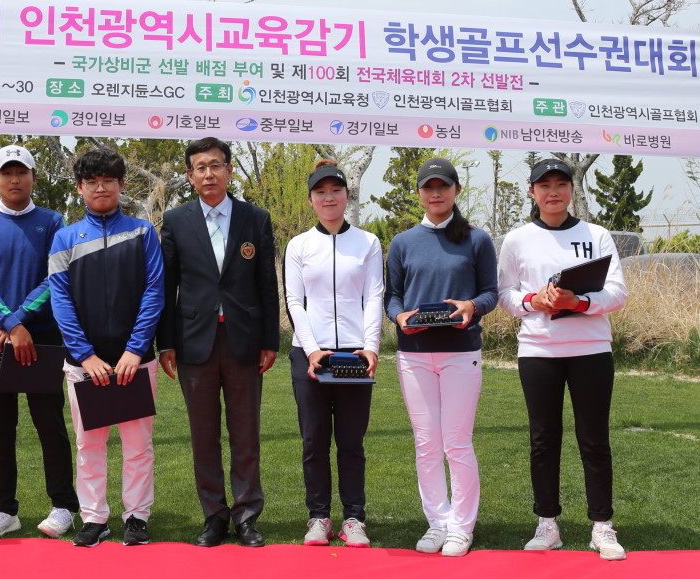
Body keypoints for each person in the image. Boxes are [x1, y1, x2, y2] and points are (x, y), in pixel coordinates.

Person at [498, 158, 628, 560]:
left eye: (561, 184)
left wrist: (580, 301)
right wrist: (533, 300)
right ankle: (547, 523)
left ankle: (602, 526)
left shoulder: (597, 234)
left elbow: (618, 293)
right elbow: (505, 294)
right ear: (532, 192)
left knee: (594, 439)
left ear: (571, 190)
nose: (553, 192)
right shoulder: (517, 239)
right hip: (539, 352)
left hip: (591, 350)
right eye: (544, 185)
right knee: (543, 439)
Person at [157, 137, 280, 548]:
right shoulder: (176, 220)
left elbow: (267, 284)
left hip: (244, 340)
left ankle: (246, 516)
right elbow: (167, 286)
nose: (209, 174)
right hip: (194, 343)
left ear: (228, 170)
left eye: (216, 165)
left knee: (246, 434)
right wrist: (166, 343)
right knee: (203, 435)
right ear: (190, 176)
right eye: (200, 167)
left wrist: (270, 340)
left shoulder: (255, 218)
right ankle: (214, 516)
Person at [48, 148, 164, 548]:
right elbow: (60, 300)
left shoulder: (142, 232)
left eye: (109, 180)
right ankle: (94, 518)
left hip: (136, 361)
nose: (101, 188)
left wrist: (135, 349)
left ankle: (137, 517)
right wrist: (85, 355)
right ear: (79, 188)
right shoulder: (64, 238)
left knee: (138, 446)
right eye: (92, 182)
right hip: (85, 365)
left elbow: (154, 291)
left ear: (121, 184)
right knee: (89, 445)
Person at [385, 157, 498, 557]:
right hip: (414, 356)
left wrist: (471, 306)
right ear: (419, 193)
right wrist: (399, 317)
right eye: (428, 187)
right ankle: (438, 522)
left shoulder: (477, 240)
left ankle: (461, 527)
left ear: (456, 190)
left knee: (457, 443)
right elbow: (392, 297)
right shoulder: (402, 243)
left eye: (443, 186)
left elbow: (491, 293)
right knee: (426, 443)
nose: (436, 193)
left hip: (460, 354)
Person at [0, 145, 79, 540]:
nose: (14, 180)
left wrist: (19, 321)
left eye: (22, 172)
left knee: (50, 423)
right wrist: (10, 324)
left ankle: (63, 505)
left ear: (33, 177)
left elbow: (55, 277)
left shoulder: (53, 221)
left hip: (41, 337)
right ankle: (4, 510)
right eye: (7, 173)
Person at [284, 159, 383, 548]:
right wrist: (312, 350)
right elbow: (295, 301)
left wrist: (371, 346)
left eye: (336, 191)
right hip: (310, 356)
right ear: (311, 199)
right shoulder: (299, 245)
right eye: (321, 192)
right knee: (314, 441)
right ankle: (319, 517)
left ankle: (354, 518)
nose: (329, 198)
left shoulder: (368, 243)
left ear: (347, 196)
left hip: (355, 356)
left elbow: (373, 296)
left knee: (351, 441)